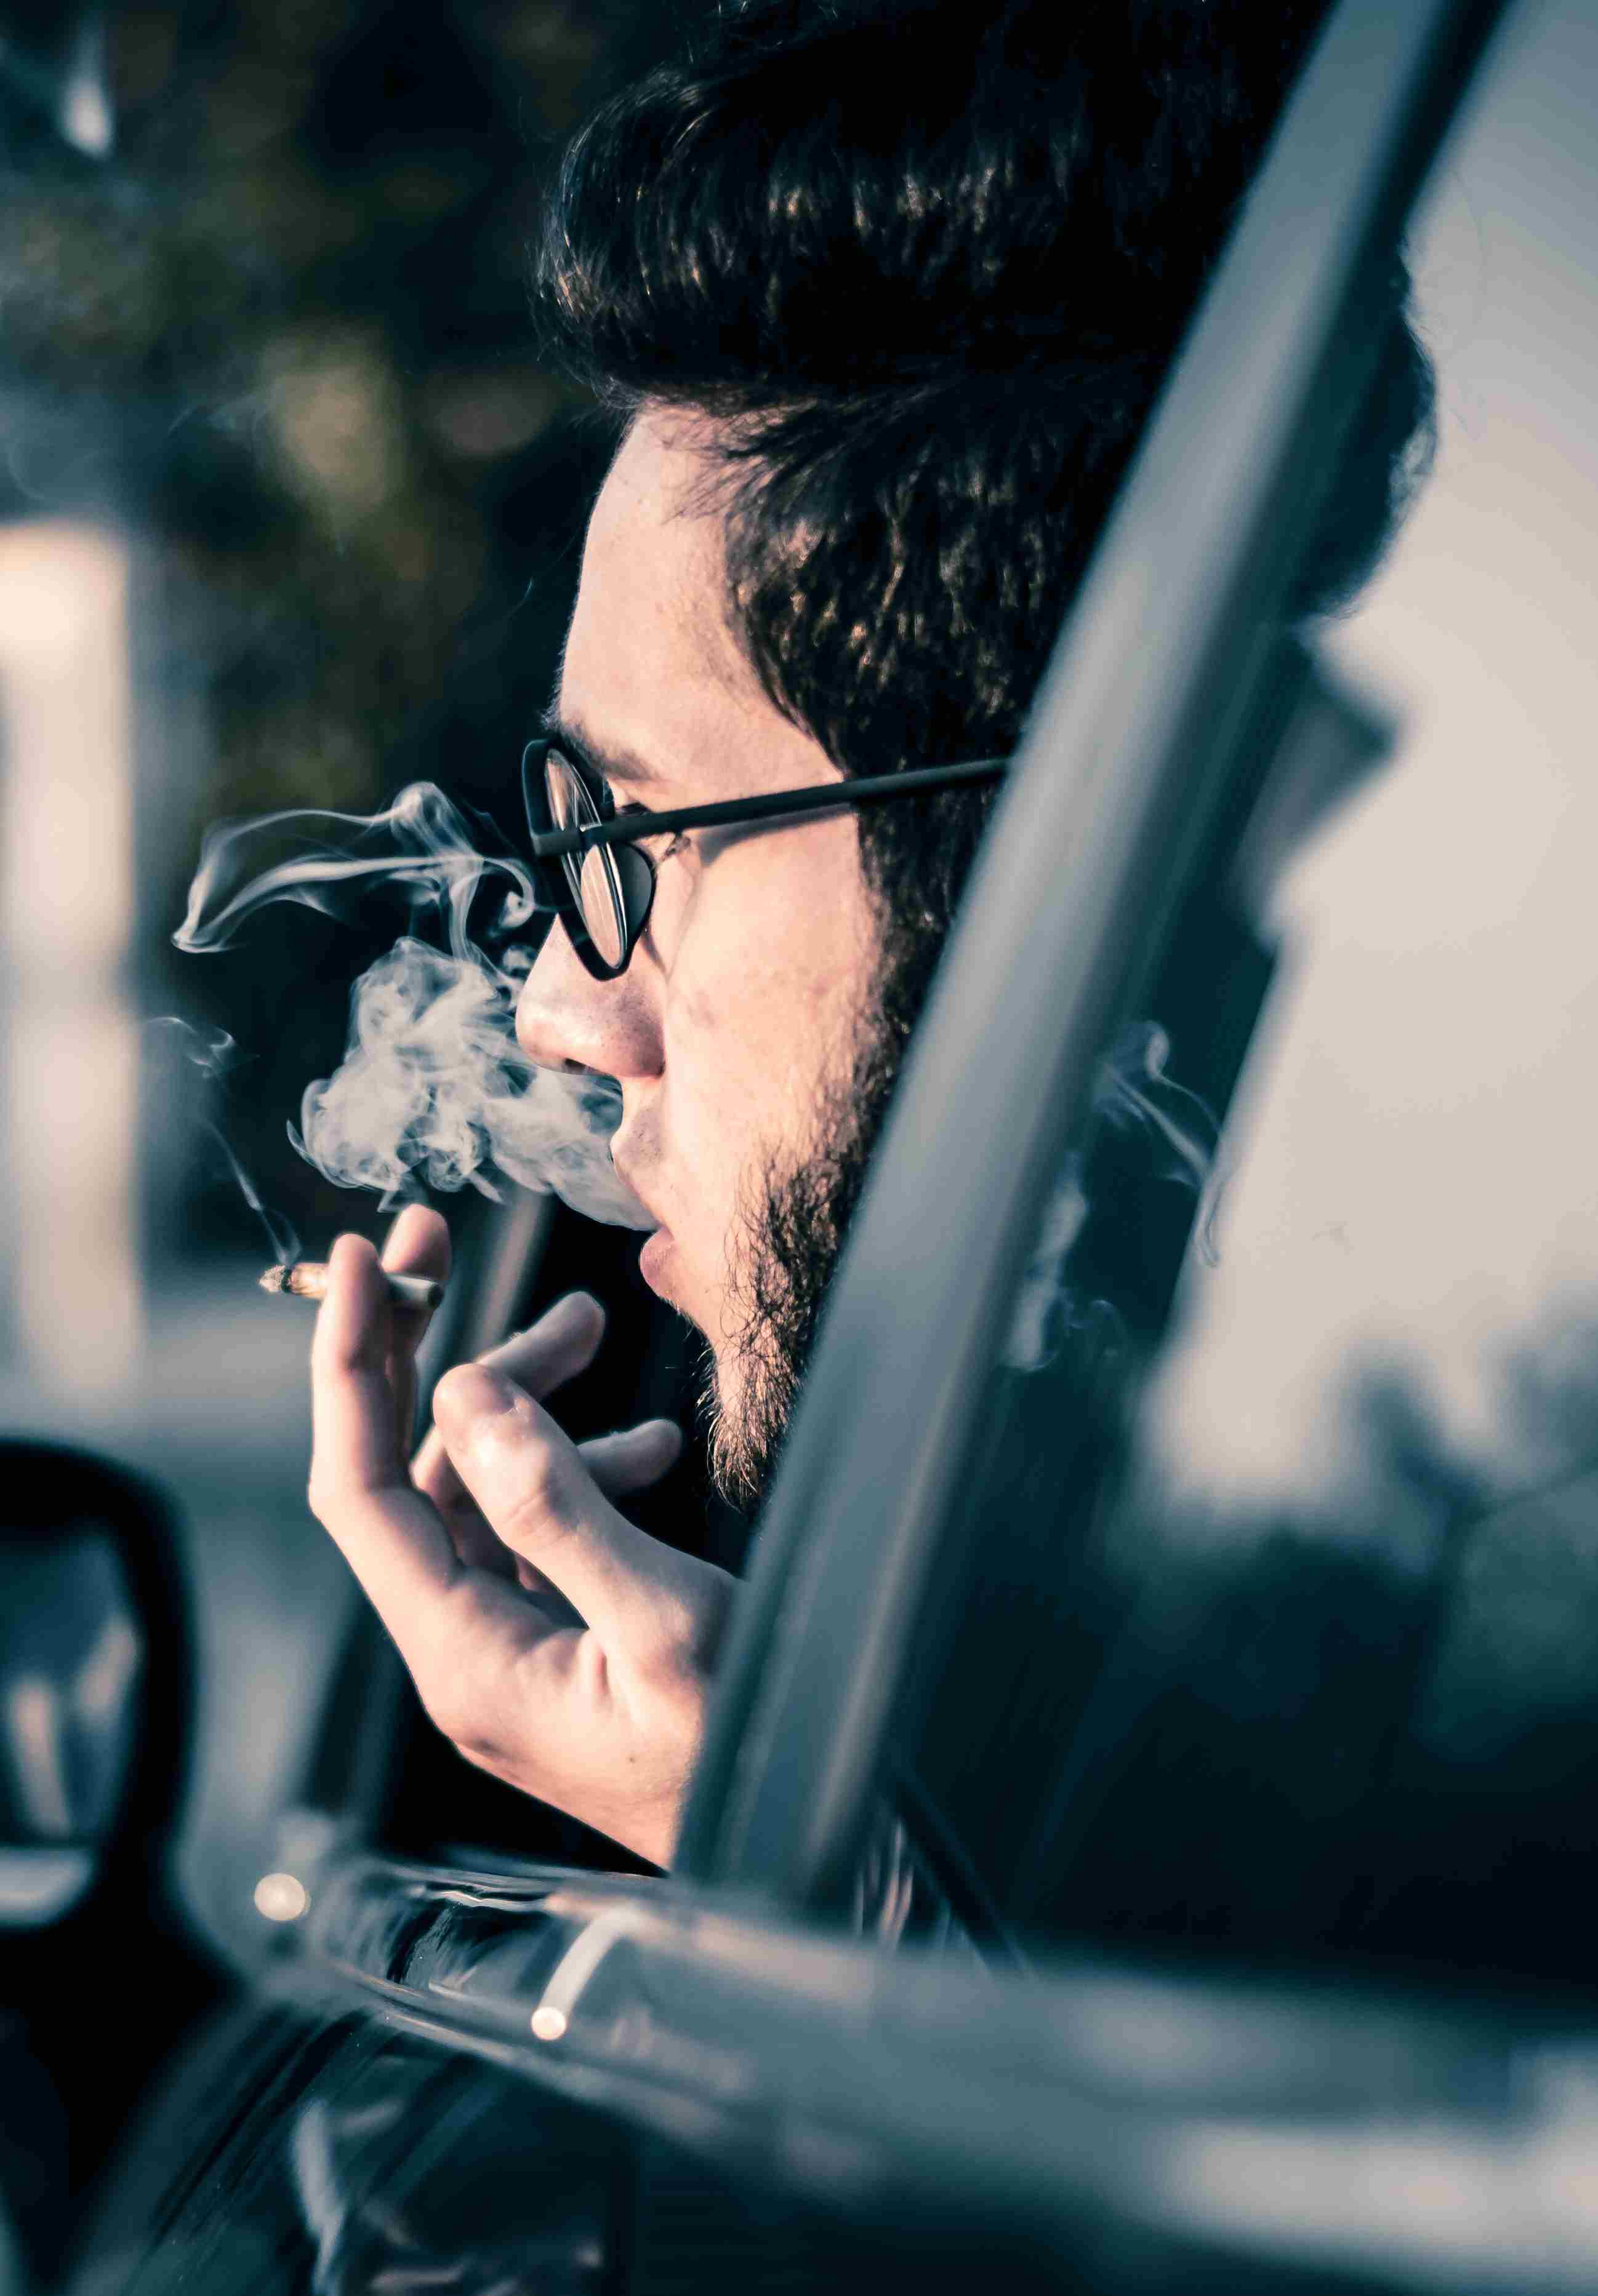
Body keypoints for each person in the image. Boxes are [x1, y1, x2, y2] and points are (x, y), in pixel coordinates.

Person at [301, 0, 1435, 1866]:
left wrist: (786, 1864)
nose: (566, 1009)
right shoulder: (1196, 1573)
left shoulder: (1380, 1665)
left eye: (645, 834)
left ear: (1045, 852)